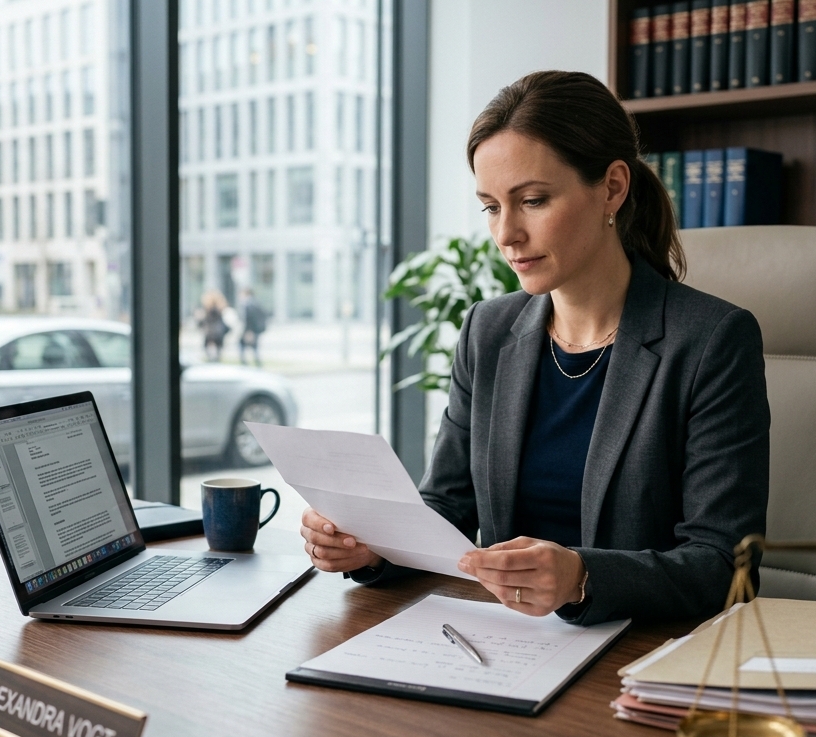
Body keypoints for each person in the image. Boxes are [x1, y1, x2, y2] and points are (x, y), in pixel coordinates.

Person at [298, 71, 770, 624]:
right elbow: (448, 509)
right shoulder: (488, 331)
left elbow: (723, 566)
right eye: (492, 207)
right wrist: (375, 544)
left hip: (637, 654)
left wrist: (582, 578)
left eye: (534, 200)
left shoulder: (712, 340)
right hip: (500, 642)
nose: (506, 235)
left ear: (613, 188)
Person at [197, 289, 230, 362]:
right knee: (217, 356)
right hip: (218, 334)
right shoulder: (220, 309)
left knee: (211, 357)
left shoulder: (209, 311)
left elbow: (205, 323)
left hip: (211, 335)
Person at [238, 288, 267, 366]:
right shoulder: (256, 303)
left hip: (250, 331)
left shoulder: (248, 305)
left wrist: (249, 331)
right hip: (256, 330)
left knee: (243, 346)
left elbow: (249, 319)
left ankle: (245, 364)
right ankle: (256, 364)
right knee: (254, 348)